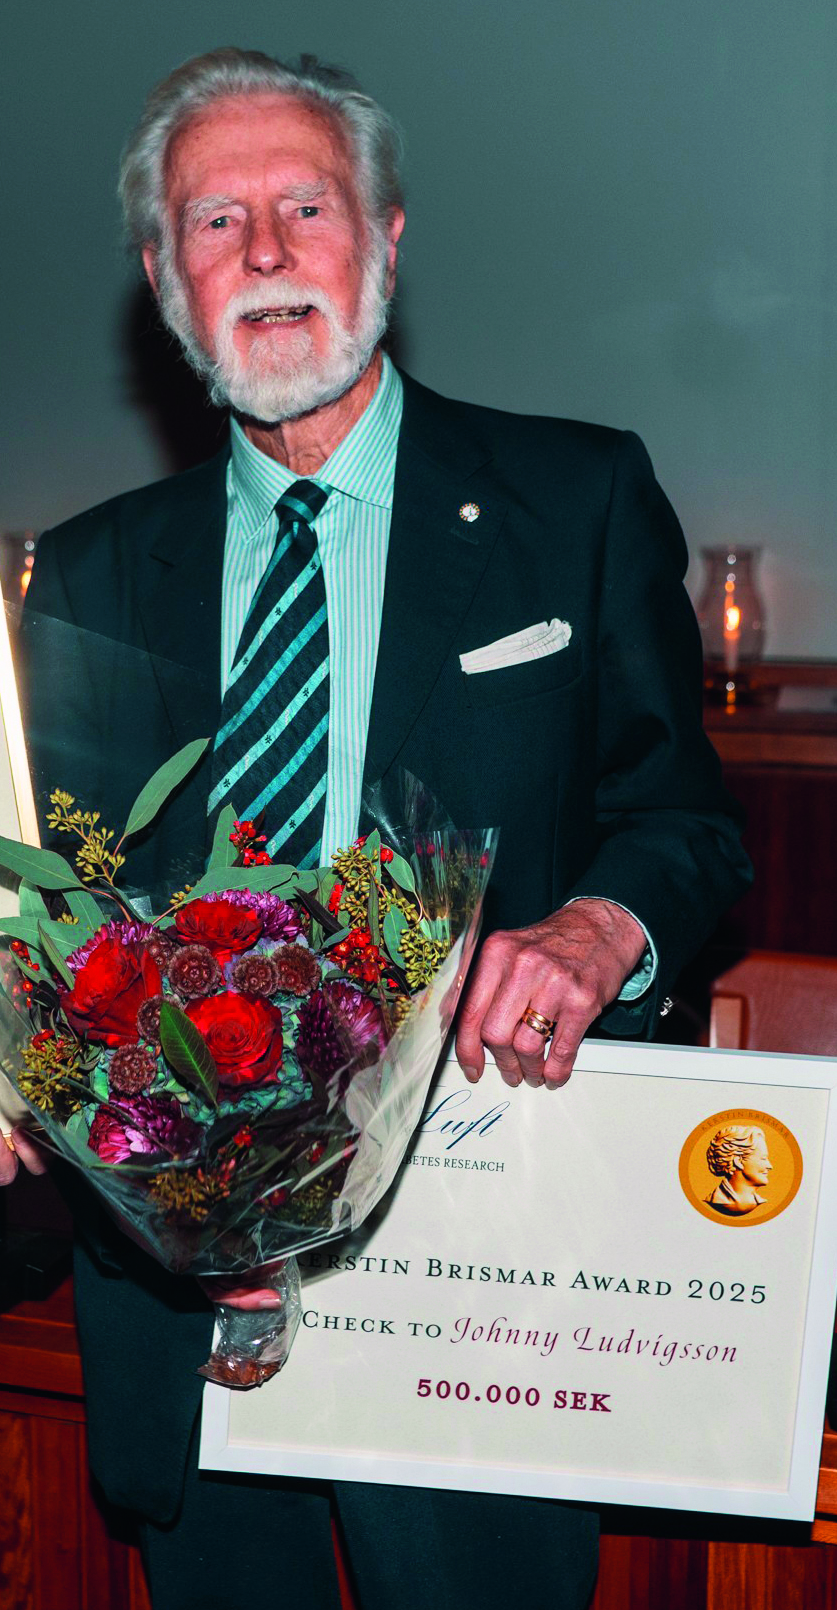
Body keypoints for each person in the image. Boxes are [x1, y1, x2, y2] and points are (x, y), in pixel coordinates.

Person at [2, 47, 751, 1610]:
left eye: (306, 205)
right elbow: (48, 903)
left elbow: (685, 820)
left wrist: (598, 925)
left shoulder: (574, 499)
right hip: (183, 1318)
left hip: (483, 1286)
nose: (266, 251)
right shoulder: (84, 573)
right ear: (163, 278)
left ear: (386, 240)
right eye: (215, 220)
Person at [705, 1125, 772, 1216]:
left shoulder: (757, 1200)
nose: (770, 1166)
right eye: (763, 1158)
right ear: (738, 1161)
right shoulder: (718, 1200)